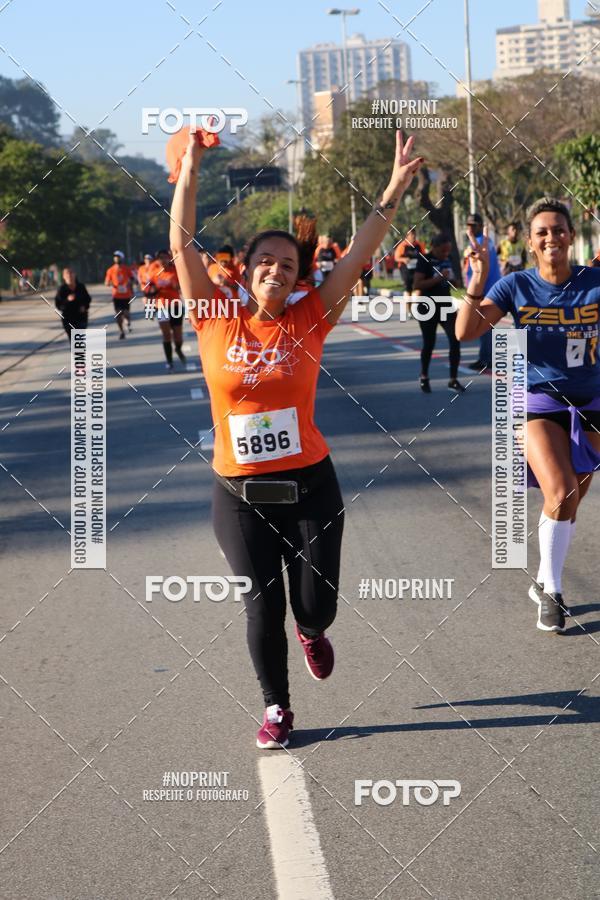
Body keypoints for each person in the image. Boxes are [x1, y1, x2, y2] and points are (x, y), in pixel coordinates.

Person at [170, 128, 423, 748]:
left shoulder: (312, 316)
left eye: (288, 265)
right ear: (247, 270)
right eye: (265, 262)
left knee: (314, 606)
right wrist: (192, 170)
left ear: (297, 276)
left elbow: (362, 253)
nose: (276, 271)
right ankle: (277, 708)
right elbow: (180, 245)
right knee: (262, 606)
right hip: (238, 490)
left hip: (310, 484)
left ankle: (314, 629)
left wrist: (391, 189)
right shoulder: (213, 317)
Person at [456, 197, 600, 633]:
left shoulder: (595, 282)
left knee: (571, 497)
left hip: (592, 404)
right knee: (558, 491)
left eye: (558, 230)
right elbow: (466, 331)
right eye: (542, 232)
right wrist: (478, 280)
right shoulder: (516, 286)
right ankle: (553, 593)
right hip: (539, 402)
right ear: (532, 243)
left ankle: (542, 578)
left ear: (572, 237)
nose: (551, 237)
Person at [413, 232, 465, 394]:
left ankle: (453, 379)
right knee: (429, 343)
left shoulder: (447, 260)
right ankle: (424, 376)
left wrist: (453, 281)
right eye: (443, 251)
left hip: (445, 304)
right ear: (434, 247)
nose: (445, 254)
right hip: (427, 305)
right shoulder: (425, 259)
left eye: (448, 251)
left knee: (455, 339)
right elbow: (417, 284)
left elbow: (455, 282)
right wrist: (439, 278)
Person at [463, 213, 501, 371]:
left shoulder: (478, 243)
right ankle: (487, 357)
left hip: (484, 288)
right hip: (489, 286)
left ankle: (486, 359)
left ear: (480, 226)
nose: (470, 228)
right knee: (486, 325)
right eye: (468, 225)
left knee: (483, 325)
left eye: (473, 225)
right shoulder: (488, 241)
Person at [147, 249, 186, 371]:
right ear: (157, 260)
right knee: (166, 334)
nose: (163, 260)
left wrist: (177, 286)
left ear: (169, 258)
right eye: (160, 258)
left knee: (178, 336)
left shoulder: (176, 270)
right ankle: (169, 361)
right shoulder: (154, 272)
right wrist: (153, 291)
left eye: (165, 257)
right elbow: (148, 290)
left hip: (175, 306)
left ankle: (178, 349)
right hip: (161, 307)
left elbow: (182, 286)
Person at [55, 267, 91, 342]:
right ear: (64, 277)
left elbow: (88, 299)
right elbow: (58, 305)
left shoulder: (81, 287)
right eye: (67, 273)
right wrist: (67, 300)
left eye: (71, 273)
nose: (69, 275)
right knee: (73, 341)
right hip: (68, 319)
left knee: (79, 341)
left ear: (75, 274)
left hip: (81, 318)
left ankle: (79, 352)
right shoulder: (62, 289)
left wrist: (84, 306)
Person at [104, 250, 134, 339]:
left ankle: (127, 321)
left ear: (122, 258)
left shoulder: (126, 269)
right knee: (118, 315)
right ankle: (121, 331)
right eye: (115, 257)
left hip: (126, 295)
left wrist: (129, 283)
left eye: (118, 257)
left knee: (126, 313)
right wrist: (110, 284)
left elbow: (132, 279)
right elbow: (106, 282)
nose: (116, 258)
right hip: (116, 296)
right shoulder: (110, 270)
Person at [394, 227, 426, 295]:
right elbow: (396, 258)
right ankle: (408, 301)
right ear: (407, 236)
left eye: (414, 234)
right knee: (408, 289)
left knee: (418, 288)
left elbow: (425, 256)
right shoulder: (402, 245)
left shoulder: (419, 245)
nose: (413, 236)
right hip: (405, 269)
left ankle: (416, 303)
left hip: (416, 269)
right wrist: (404, 259)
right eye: (411, 234)